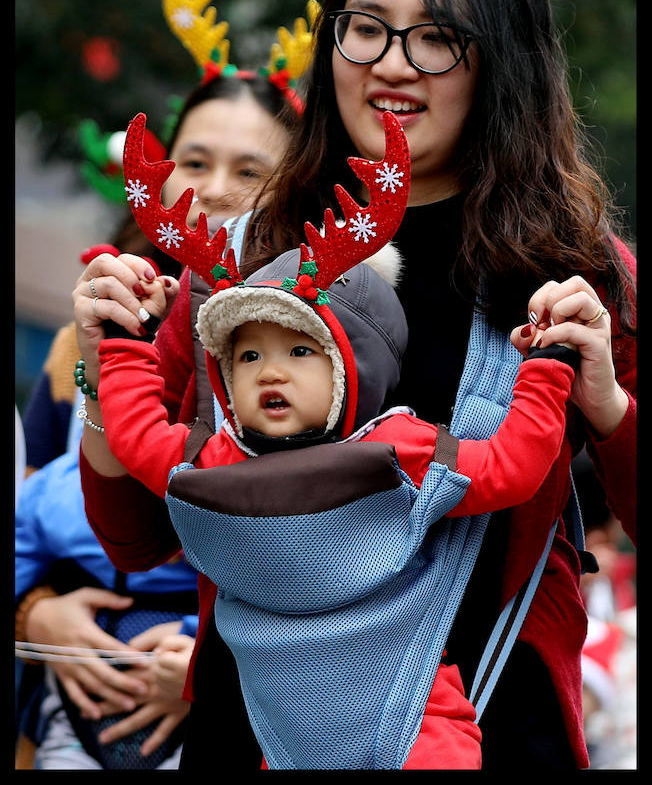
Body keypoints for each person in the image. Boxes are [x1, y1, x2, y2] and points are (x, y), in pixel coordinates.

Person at [73, 0, 636, 771]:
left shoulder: (579, 274)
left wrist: (605, 402)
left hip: (487, 730)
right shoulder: (238, 255)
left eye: (436, 36)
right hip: (253, 734)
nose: (391, 67)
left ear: (505, 59)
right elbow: (139, 538)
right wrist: (107, 377)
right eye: (366, 28)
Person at [91, 114, 582, 768]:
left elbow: (513, 468)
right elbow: (131, 431)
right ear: (222, 381)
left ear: (353, 368)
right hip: (272, 723)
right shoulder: (208, 457)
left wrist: (549, 366)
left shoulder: (397, 450)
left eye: (300, 349)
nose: (271, 370)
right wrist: (121, 343)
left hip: (410, 722)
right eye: (246, 356)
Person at [16, 70, 299, 770]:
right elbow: (28, 516)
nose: (211, 187)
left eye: (250, 168)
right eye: (193, 162)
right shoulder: (78, 339)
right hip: (67, 709)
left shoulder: (308, 353)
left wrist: (213, 665)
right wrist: (34, 615)